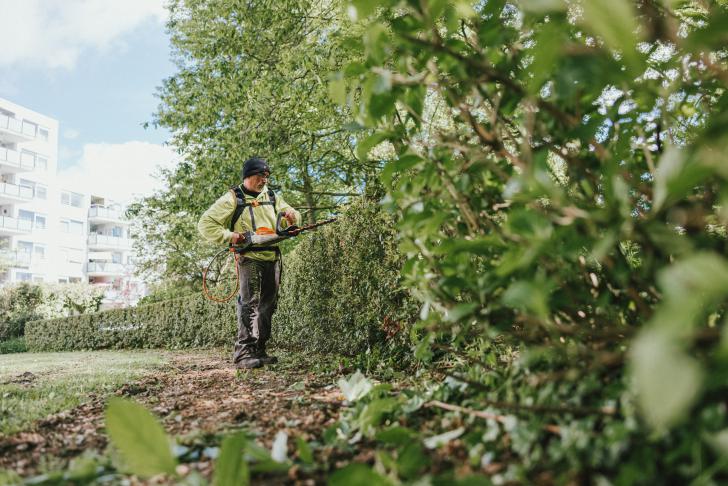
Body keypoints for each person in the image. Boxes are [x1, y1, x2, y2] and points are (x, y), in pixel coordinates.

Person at [198, 157, 301, 369]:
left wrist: (292, 217)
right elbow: (205, 224)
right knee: (249, 305)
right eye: (260, 176)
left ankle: (260, 350)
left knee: (268, 306)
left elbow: (293, 216)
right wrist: (230, 236)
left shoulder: (272, 196)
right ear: (248, 176)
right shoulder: (232, 199)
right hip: (249, 257)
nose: (264, 180)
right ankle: (243, 353)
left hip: (272, 256)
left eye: (266, 176)